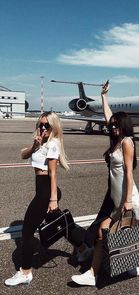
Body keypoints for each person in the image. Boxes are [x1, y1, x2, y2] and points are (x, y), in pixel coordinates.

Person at [71, 81, 139, 287]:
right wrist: (104, 96)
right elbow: (108, 117)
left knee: (128, 239)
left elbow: (129, 174)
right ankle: (92, 274)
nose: (113, 127)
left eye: (116, 125)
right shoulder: (116, 139)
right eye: (112, 125)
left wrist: (127, 202)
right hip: (116, 198)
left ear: (124, 125)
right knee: (103, 232)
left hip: (127, 198)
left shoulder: (127, 142)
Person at [5, 111, 69, 287]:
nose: (42, 128)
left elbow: (53, 173)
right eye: (40, 124)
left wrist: (53, 199)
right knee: (59, 224)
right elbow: (23, 155)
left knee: (26, 233)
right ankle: (83, 247)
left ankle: (25, 272)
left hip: (46, 192)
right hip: (42, 191)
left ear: (54, 126)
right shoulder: (41, 142)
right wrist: (34, 145)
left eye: (46, 125)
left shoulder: (53, 144)